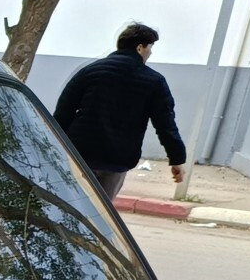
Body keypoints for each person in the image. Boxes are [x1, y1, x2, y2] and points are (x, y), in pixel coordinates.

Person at [54, 22, 187, 200]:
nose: (150, 53)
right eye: (150, 48)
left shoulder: (90, 71)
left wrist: (54, 148)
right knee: (101, 214)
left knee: (71, 206)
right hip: (117, 160)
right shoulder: (154, 81)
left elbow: (63, 113)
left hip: (80, 155)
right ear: (140, 48)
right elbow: (165, 124)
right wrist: (177, 159)